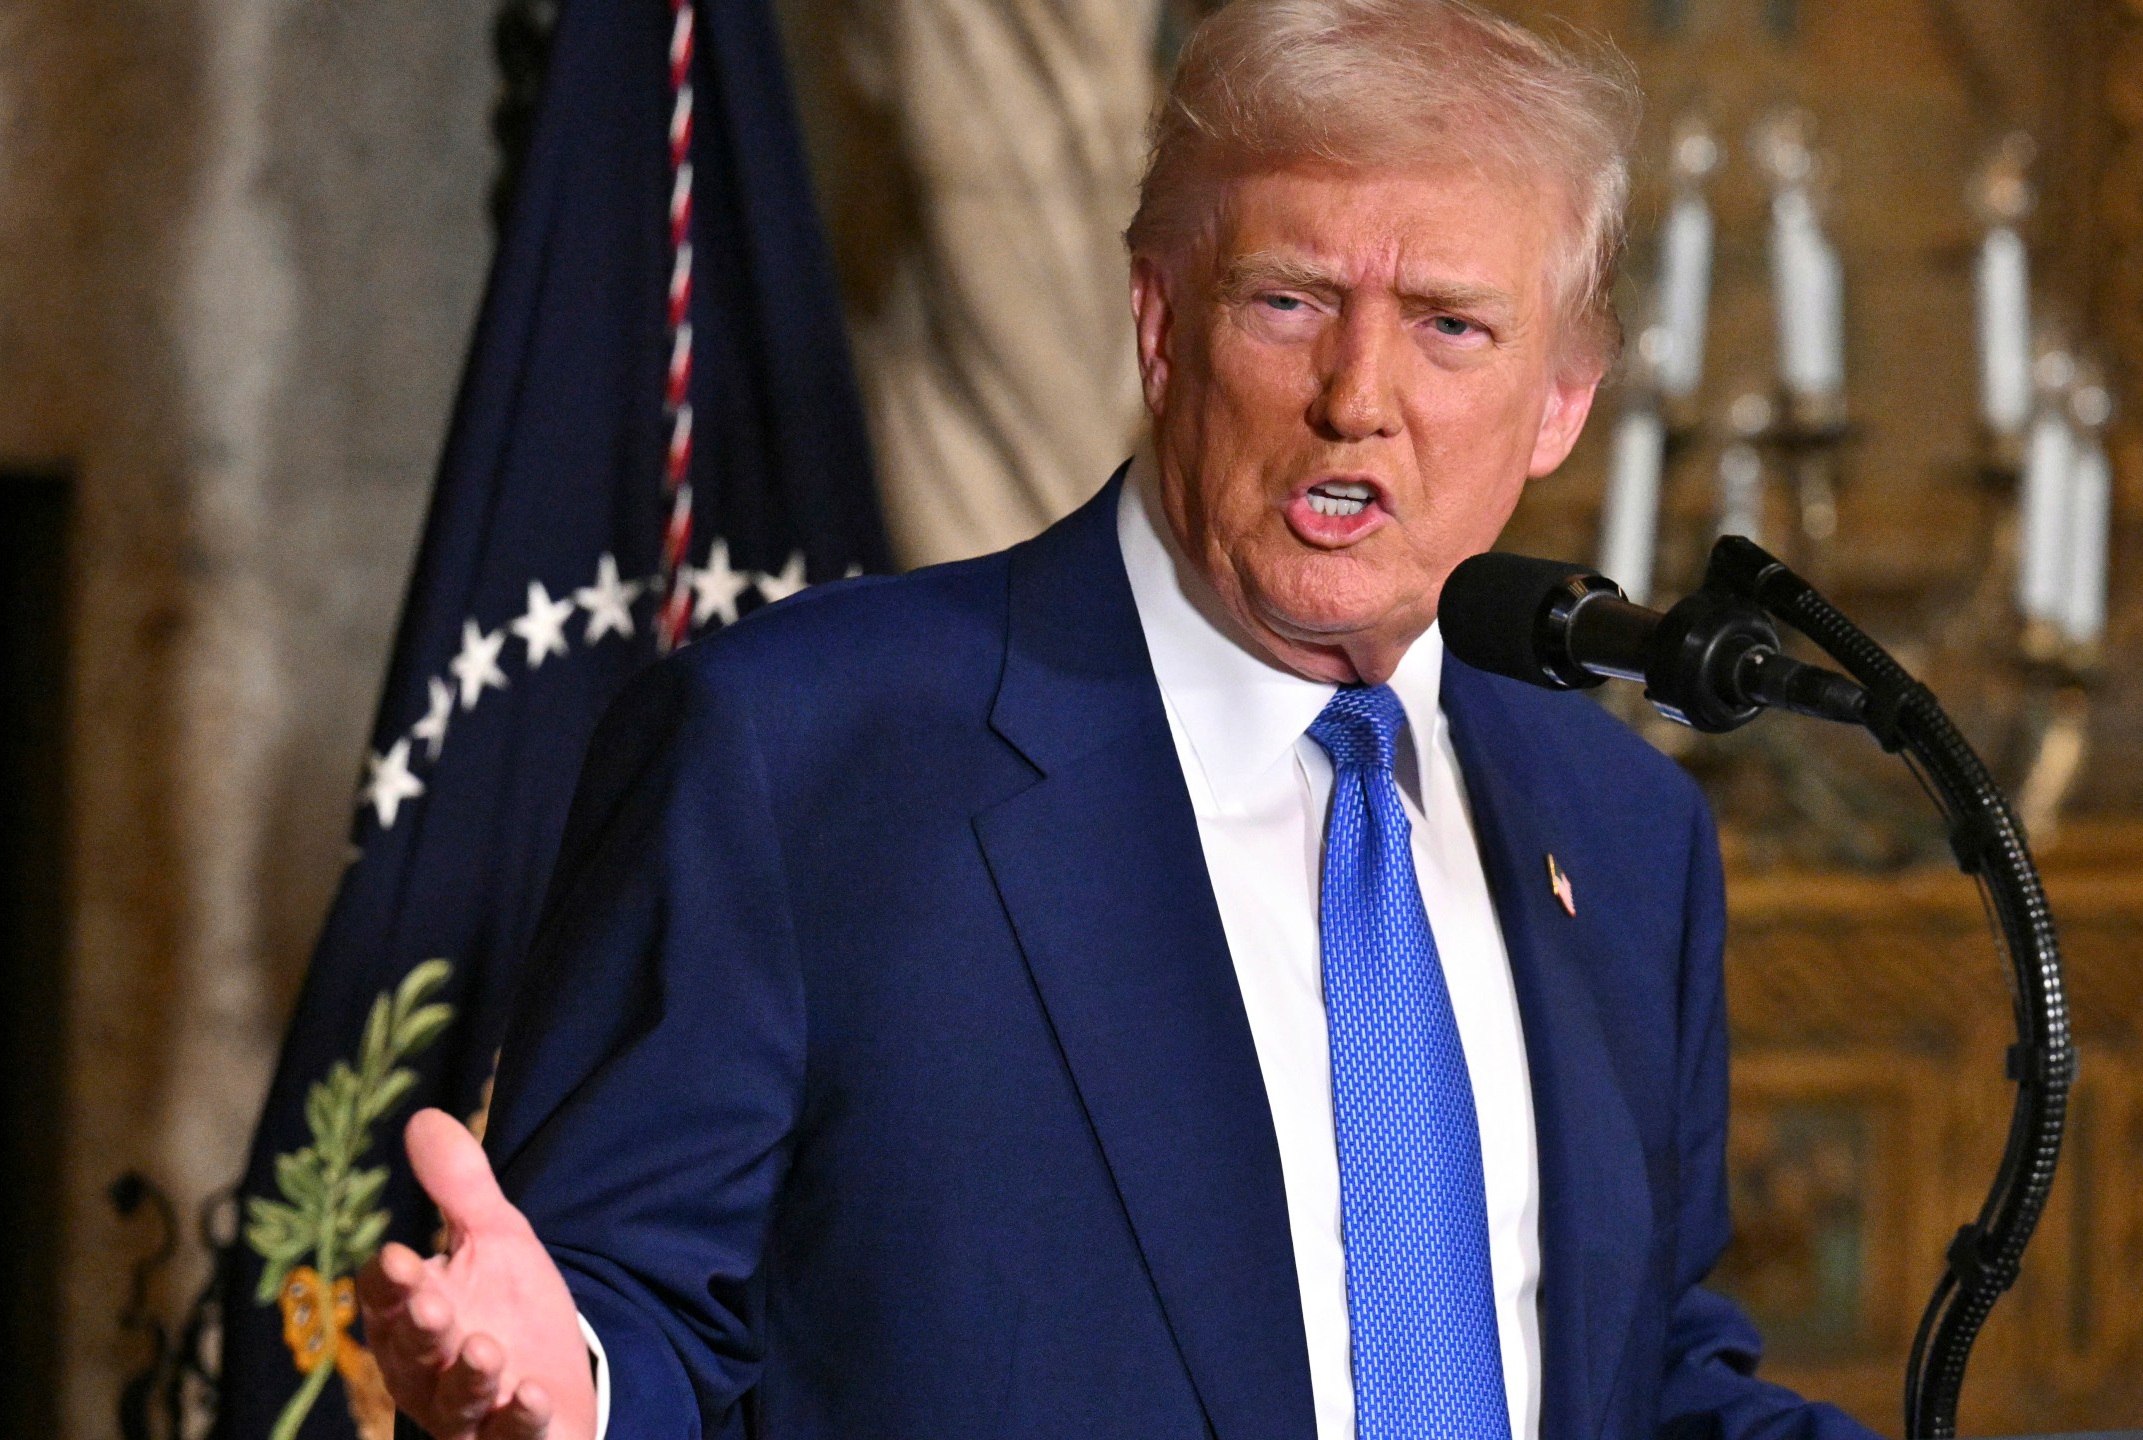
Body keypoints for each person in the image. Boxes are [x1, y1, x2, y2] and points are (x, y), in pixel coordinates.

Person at [357, 1, 1879, 1437]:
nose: (1359, 396)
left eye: (1451, 328)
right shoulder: (801, 751)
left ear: (1562, 399)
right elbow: (624, 1314)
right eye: (1289, 302)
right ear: (1160, 326)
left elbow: (1642, 1367)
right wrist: (578, 1394)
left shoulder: (1624, 832)